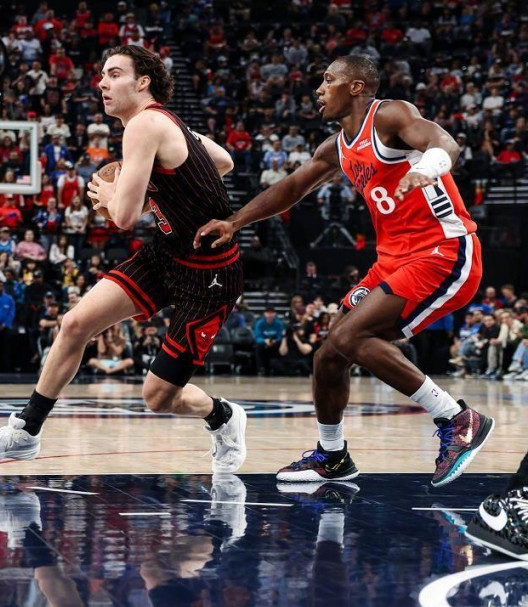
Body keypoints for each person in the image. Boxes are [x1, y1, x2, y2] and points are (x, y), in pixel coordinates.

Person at [195, 55, 493, 488]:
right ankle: (332, 456)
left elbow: (444, 142)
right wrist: (234, 222)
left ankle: (457, 418)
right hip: (393, 259)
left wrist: (425, 170)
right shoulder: (336, 146)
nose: (319, 89)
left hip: (443, 250)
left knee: (349, 337)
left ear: (356, 87)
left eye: (328, 80)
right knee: (329, 355)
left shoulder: (389, 115)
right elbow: (292, 187)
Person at [0, 45, 247, 475]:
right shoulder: (165, 123)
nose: (102, 83)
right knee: (75, 323)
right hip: (167, 255)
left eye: (114, 74)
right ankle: (25, 430)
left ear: (143, 82)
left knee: (158, 398)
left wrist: (111, 194)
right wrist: (163, 192)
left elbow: (124, 218)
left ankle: (223, 416)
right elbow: (224, 161)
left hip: (210, 275)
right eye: (102, 75)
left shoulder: (144, 125)